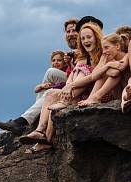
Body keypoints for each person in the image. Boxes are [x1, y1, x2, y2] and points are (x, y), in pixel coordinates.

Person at [18, 20, 104, 153]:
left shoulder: (103, 54)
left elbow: (94, 76)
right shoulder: (83, 57)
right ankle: (41, 132)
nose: (86, 40)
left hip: (95, 92)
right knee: (51, 93)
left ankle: (62, 103)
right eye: (83, 38)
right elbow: (72, 76)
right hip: (80, 91)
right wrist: (67, 86)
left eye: (89, 37)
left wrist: (71, 86)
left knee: (81, 71)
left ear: (96, 37)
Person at [0, 18, 79, 134]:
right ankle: (28, 118)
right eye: (68, 32)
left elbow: (80, 73)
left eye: (74, 31)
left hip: (79, 84)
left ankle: (24, 121)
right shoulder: (74, 52)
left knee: (50, 73)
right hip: (71, 82)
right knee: (47, 89)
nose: (71, 34)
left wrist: (69, 64)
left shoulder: (82, 50)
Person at [78, 32, 131, 106]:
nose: (104, 52)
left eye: (106, 47)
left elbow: (115, 73)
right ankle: (92, 97)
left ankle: (96, 97)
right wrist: (107, 65)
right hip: (118, 95)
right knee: (102, 73)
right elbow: (94, 76)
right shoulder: (111, 61)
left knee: (109, 73)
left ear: (117, 46)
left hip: (128, 92)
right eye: (103, 49)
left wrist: (106, 69)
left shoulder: (127, 56)